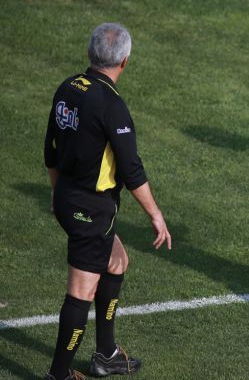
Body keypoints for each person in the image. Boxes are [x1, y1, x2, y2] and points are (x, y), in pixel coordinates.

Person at [43, 23, 172, 379]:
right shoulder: (111, 105)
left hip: (69, 197)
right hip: (90, 209)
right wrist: (156, 215)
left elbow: (50, 148)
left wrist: (56, 191)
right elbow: (131, 169)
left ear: (91, 53)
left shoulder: (68, 87)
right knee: (80, 291)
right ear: (124, 61)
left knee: (117, 262)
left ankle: (106, 354)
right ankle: (58, 374)